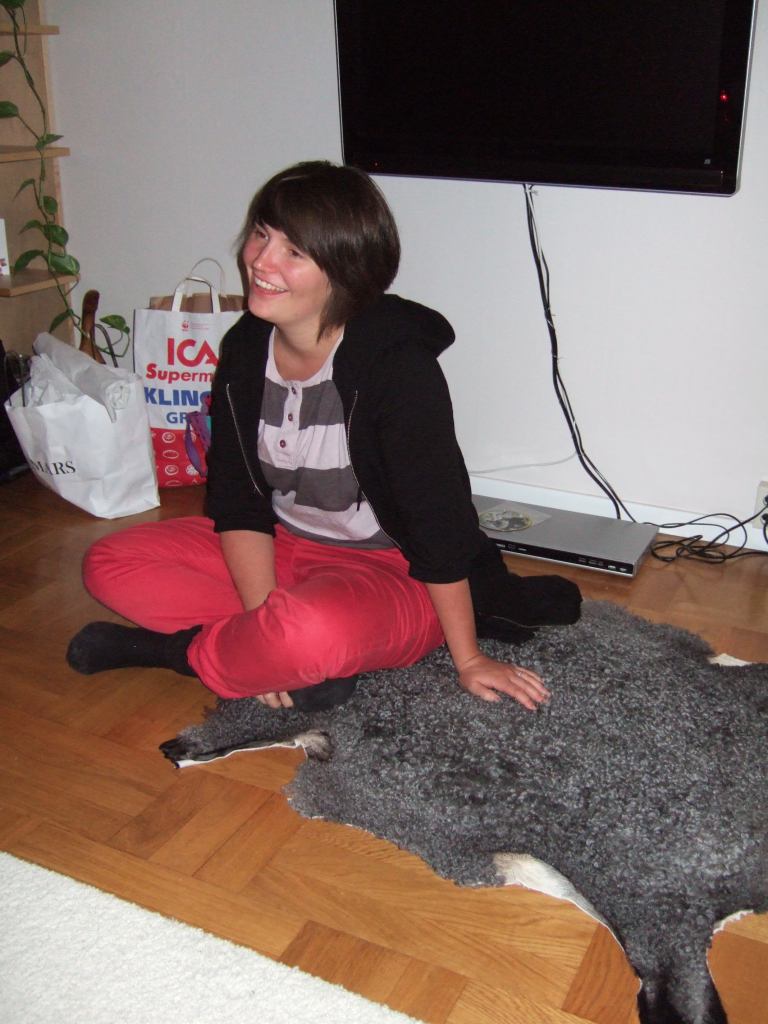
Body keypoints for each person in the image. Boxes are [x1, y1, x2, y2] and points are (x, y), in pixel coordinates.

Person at [67, 160, 581, 712]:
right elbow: (239, 504)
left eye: (294, 252)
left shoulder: (397, 369)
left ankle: (171, 652)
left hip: (394, 573)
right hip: (286, 546)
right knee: (110, 564)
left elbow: (438, 523)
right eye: (262, 234)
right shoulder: (245, 347)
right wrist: (265, 629)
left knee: (311, 631)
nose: (261, 261)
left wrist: (469, 658)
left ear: (345, 271)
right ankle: (282, 656)